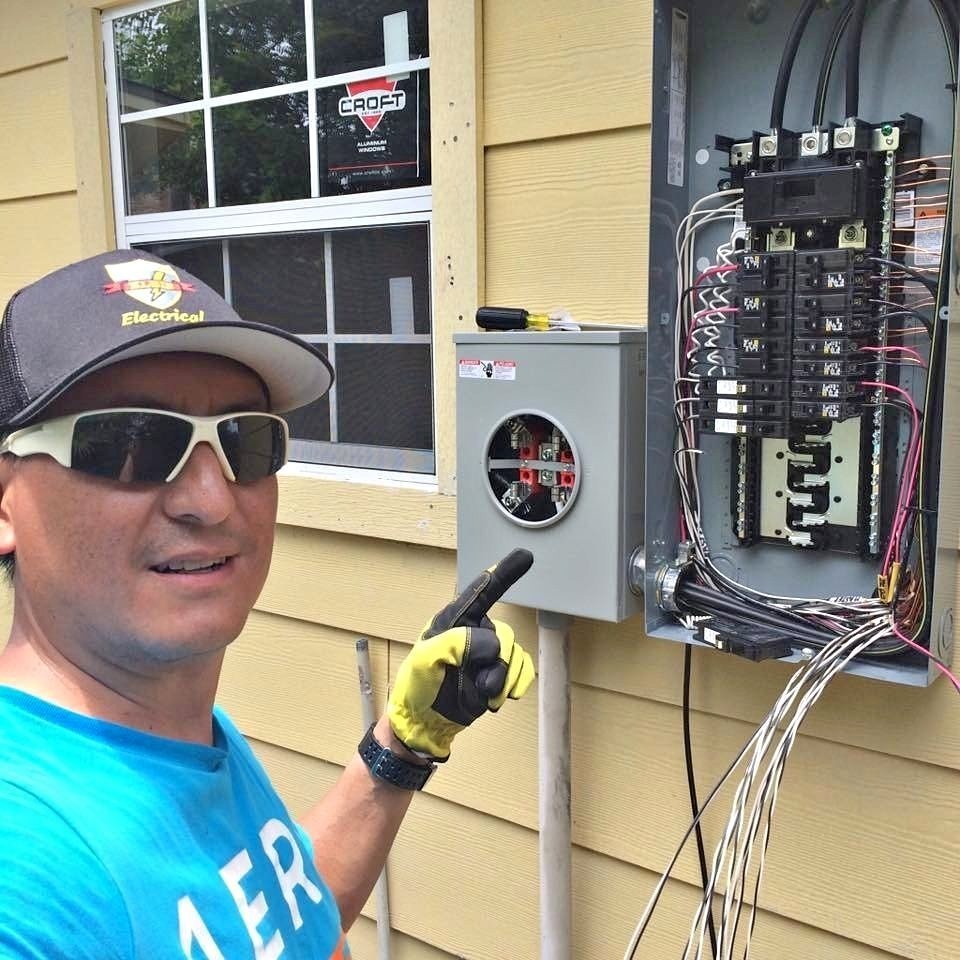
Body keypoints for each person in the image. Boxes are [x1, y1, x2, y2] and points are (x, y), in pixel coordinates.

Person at [0, 250, 535, 959]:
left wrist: (402, 748)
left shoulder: (182, 734)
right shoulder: (26, 865)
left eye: (243, 440)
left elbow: (276, 922)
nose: (212, 500)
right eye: (134, 441)